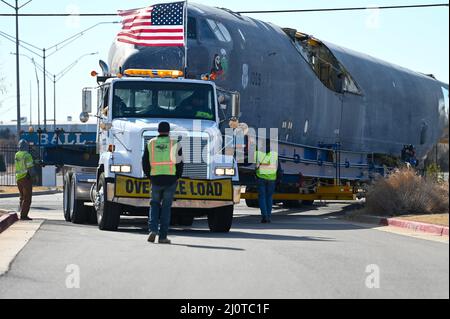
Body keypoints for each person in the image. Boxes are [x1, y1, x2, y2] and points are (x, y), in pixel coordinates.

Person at [142, 122, 184, 244]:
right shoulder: (175, 143)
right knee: (166, 208)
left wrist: (150, 175)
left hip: (155, 179)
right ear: (169, 131)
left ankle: (153, 230)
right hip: (170, 179)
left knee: (154, 204)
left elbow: (144, 162)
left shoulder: (151, 143)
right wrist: (177, 176)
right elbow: (180, 163)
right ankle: (163, 237)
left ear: (158, 131)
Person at [254, 138, 283, 223]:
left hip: (261, 178)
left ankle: (264, 216)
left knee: (262, 197)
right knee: (269, 198)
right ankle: (269, 217)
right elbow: (279, 169)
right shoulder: (274, 154)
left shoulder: (258, 154)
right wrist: (279, 179)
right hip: (271, 179)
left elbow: (255, 166)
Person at [15, 139, 35, 221]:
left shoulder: (17, 154)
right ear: (26, 147)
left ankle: (21, 213)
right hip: (25, 178)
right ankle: (24, 216)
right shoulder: (27, 155)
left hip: (18, 178)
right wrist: (34, 176)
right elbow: (30, 168)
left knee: (22, 197)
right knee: (27, 198)